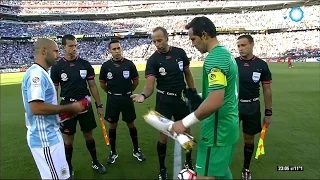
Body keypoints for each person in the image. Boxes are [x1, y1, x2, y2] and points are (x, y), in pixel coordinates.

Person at [170, 16, 240, 180]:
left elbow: (215, 101)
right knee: (221, 172)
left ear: (204, 34)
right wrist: (199, 97)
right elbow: (226, 93)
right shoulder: (226, 54)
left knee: (205, 176)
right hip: (228, 128)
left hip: (217, 132)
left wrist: (184, 122)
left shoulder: (215, 58)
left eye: (193, 39)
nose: (192, 44)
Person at [131, 26, 196, 180]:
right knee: (164, 135)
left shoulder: (180, 53)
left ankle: (189, 163)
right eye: (154, 41)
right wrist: (143, 95)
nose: (157, 44)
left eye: (159, 40)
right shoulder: (153, 60)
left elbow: (188, 74)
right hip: (164, 100)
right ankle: (162, 168)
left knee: (187, 132)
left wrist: (192, 92)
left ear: (167, 37)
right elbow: (149, 84)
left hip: (180, 99)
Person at [21, 38, 88, 179]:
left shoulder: (43, 73)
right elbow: (36, 108)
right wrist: (69, 107)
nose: (58, 54)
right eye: (56, 51)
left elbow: (44, 107)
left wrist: (65, 114)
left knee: (64, 176)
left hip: (51, 135)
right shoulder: (36, 75)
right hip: (44, 139)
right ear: (44, 51)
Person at [50, 34, 106, 177]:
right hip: (67, 105)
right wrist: (55, 109)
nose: (74, 49)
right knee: (68, 139)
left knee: (89, 135)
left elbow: (93, 86)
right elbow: (54, 90)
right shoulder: (57, 67)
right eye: (70, 46)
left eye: (75, 45)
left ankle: (95, 161)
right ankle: (68, 166)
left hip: (84, 104)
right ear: (64, 47)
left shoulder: (85, 64)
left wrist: (99, 105)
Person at [99, 39, 146, 164]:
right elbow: (102, 83)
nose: (117, 51)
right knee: (112, 125)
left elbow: (136, 81)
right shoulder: (105, 66)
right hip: (112, 99)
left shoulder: (129, 64)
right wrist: (111, 92)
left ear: (121, 49)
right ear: (110, 51)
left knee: (131, 124)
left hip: (127, 98)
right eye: (114, 49)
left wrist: (128, 91)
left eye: (118, 48)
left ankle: (136, 150)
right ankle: (113, 152)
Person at [235, 34, 272, 180]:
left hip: (252, 106)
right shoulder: (233, 62)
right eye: (238, 46)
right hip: (234, 106)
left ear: (252, 45)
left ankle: (246, 168)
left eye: (243, 45)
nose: (240, 48)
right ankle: (222, 165)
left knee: (249, 140)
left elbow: (267, 90)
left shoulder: (261, 65)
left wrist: (268, 112)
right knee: (227, 138)